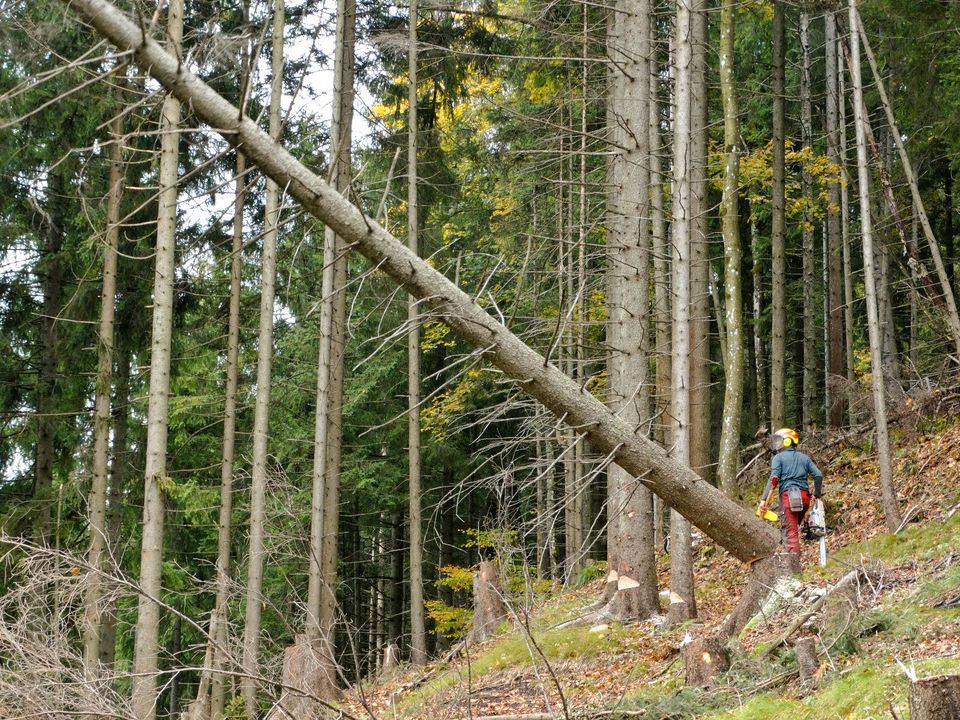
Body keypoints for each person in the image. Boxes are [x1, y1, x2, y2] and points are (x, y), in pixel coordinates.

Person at [757, 428, 824, 558]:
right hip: (805, 498)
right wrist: (816, 494)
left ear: (788, 441)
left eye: (779, 440)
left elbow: (774, 479)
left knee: (790, 533)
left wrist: (764, 500)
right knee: (791, 529)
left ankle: (794, 569)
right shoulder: (804, 458)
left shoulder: (778, 458)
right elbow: (818, 475)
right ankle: (792, 557)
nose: (777, 444)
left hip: (789, 497)